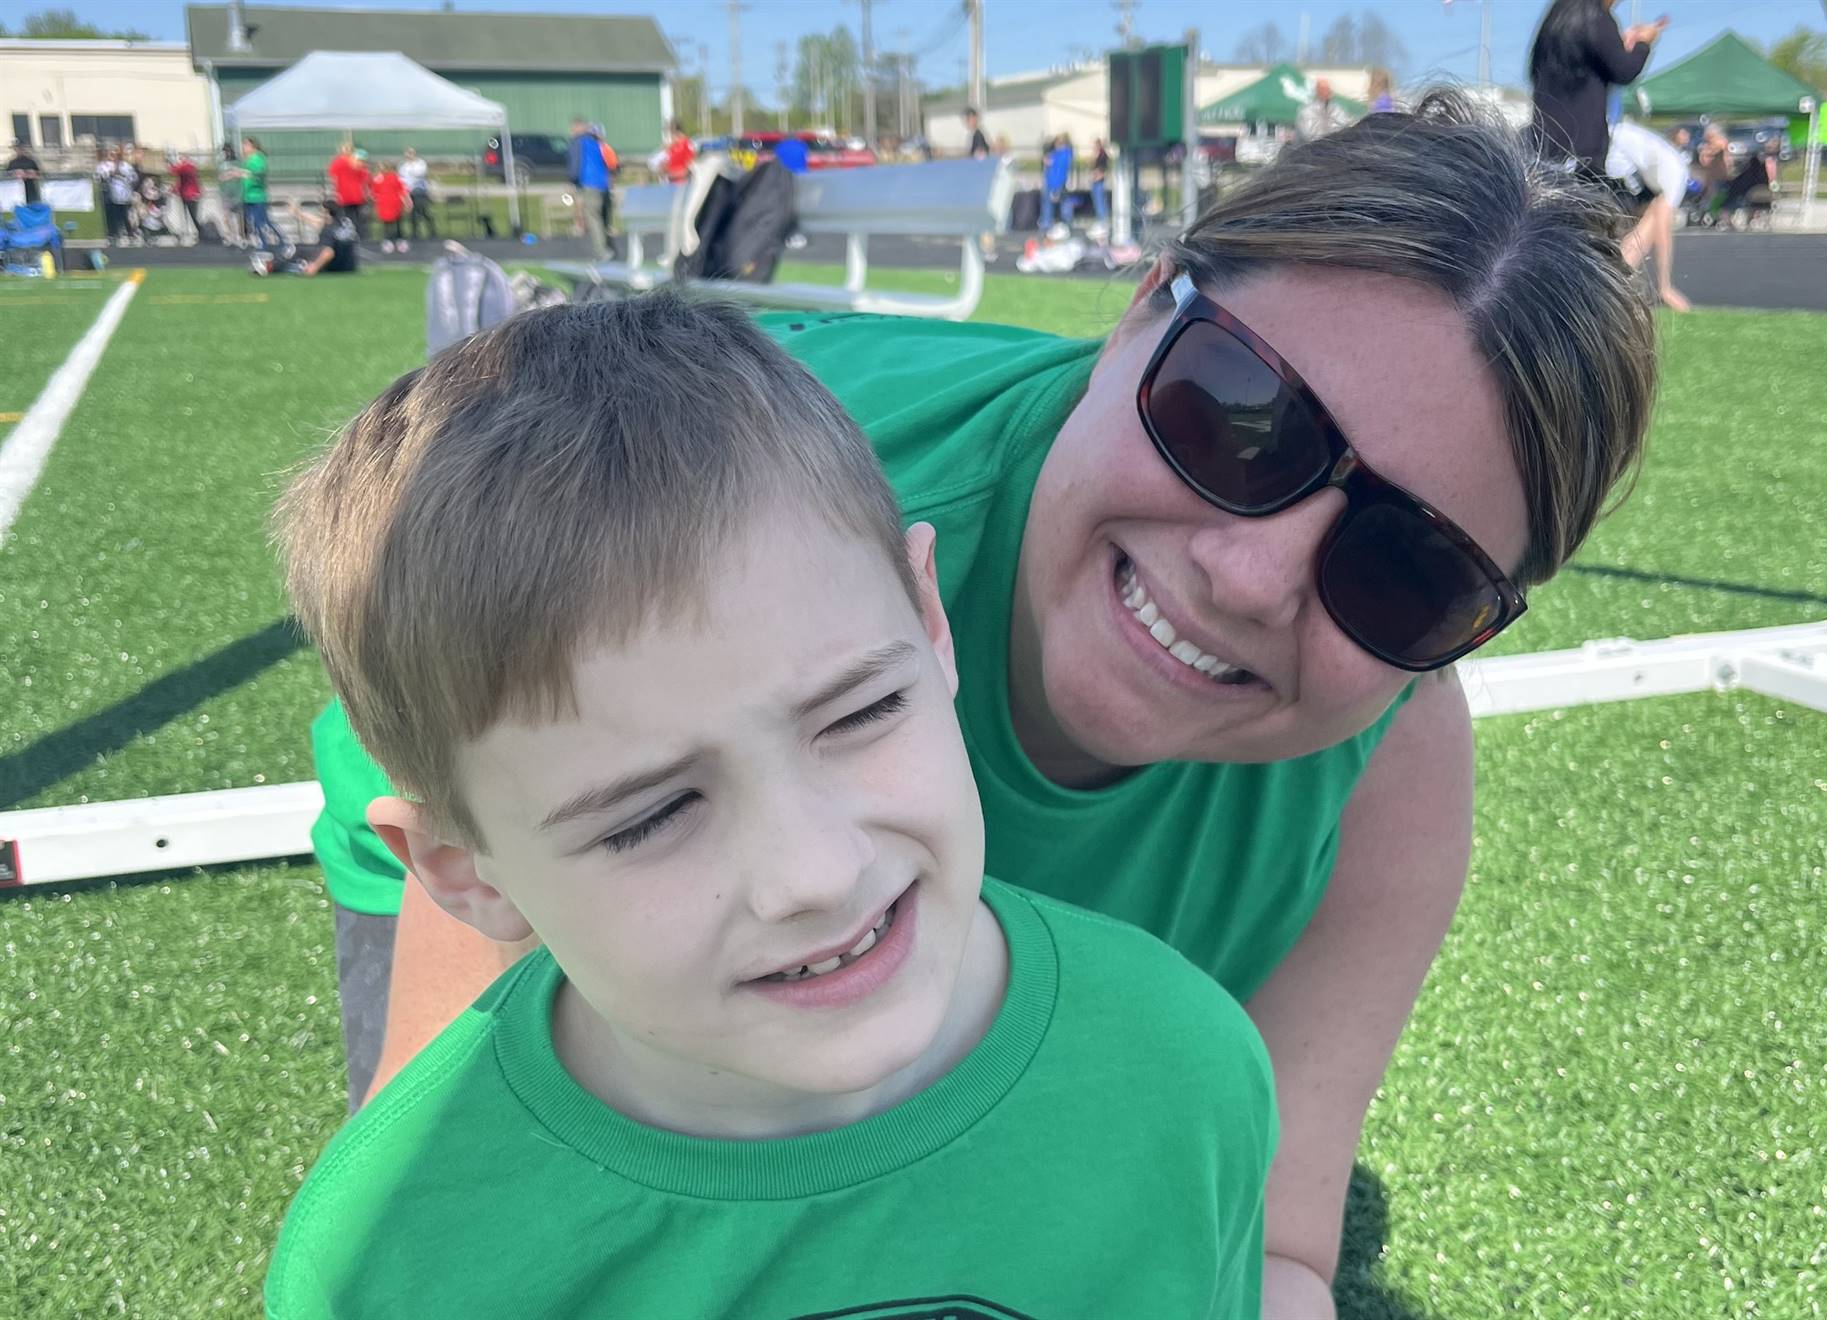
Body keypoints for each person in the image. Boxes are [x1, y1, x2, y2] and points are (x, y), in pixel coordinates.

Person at [309, 93, 1659, 1316]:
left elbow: (1279, 1245)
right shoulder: (791, 546)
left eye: (1407, 572)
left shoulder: (1386, 759)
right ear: (1142, 308)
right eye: (1239, 415)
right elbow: (454, 1218)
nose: (1252, 578)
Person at [268, 291, 1276, 1317]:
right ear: (460, 871)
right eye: (650, 816)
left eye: (864, 711)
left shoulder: (1184, 1069)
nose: (816, 873)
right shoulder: (394, 1262)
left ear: (931, 621)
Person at [1529, 0, 1667, 174]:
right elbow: (1624, 71)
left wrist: (1618, 46)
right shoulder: (1597, 18)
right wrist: (1643, 43)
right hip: (1583, 150)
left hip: (1544, 143)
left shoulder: (1557, 18)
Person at [1606, 119, 1691, 311]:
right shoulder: (1675, 177)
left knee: (1643, 223)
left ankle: (1615, 280)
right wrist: (1665, 286)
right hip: (1606, 147)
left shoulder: (1664, 161)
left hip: (1603, 140)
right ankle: (1615, 283)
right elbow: (1662, 233)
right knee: (1650, 225)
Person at [250, 200, 358, 276]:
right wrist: (298, 214)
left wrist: (315, 266)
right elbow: (317, 222)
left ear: (327, 213)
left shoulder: (328, 230)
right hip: (348, 267)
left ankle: (270, 267)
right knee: (306, 250)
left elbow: (328, 252)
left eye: (321, 212)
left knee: (296, 249)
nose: (319, 214)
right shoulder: (344, 223)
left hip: (332, 266)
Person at [567, 116, 613, 261]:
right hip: (603, 183)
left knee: (593, 217)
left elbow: (575, 163)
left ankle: (602, 252)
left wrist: (572, 180)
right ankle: (607, 247)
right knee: (602, 218)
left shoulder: (578, 142)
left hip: (589, 182)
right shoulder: (595, 142)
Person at [239, 136, 293, 257]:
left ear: (253, 146)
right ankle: (263, 244)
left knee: (264, 222)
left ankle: (283, 241)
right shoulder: (246, 160)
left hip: (258, 196)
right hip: (248, 196)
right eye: (243, 145)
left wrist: (242, 173)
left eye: (246, 145)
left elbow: (257, 173)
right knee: (254, 222)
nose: (244, 148)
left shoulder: (258, 158)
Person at [326, 142, 371, 232]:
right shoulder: (359, 162)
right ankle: (358, 237)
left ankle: (350, 237)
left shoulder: (338, 161)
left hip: (345, 195)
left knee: (347, 218)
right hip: (356, 195)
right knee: (358, 219)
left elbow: (332, 176)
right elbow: (365, 178)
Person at [397, 146, 435, 241]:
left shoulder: (421, 163)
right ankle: (415, 233)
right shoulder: (402, 166)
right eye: (407, 153)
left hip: (420, 192)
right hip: (409, 193)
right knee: (412, 214)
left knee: (423, 211)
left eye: (411, 153)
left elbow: (419, 174)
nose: (409, 155)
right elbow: (401, 178)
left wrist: (411, 168)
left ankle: (432, 231)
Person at [370, 161, 409, 253]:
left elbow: (402, 190)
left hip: (395, 203)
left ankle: (400, 241)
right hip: (384, 204)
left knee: (398, 223)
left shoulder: (395, 177)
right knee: (387, 224)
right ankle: (388, 241)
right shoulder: (377, 179)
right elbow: (374, 193)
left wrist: (406, 202)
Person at [1040, 134, 1074, 236]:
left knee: (1059, 204)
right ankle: (1050, 223)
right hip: (1052, 182)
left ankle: (1056, 223)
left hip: (1056, 182)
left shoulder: (1062, 154)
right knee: (1053, 204)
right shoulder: (1060, 154)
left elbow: (1053, 165)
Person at [217, 142, 249, 247]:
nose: (226, 153)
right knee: (226, 217)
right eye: (225, 151)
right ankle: (231, 236)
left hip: (238, 194)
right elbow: (221, 177)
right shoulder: (221, 164)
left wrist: (234, 173)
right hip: (226, 194)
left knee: (240, 218)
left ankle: (242, 237)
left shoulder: (238, 162)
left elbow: (244, 174)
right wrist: (229, 174)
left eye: (227, 150)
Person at [167, 150, 203, 241]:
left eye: (181, 158)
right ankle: (186, 231)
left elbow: (174, 171)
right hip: (186, 194)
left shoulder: (188, 166)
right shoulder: (188, 167)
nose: (180, 160)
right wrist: (173, 190)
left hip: (190, 194)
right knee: (185, 214)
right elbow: (181, 181)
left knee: (193, 215)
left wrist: (170, 163)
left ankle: (201, 231)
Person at [5, 140, 41, 206]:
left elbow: (39, 174)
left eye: (20, 148)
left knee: (32, 205)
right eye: (16, 148)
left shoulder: (31, 162)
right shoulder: (12, 163)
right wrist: (15, 174)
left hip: (30, 188)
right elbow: (6, 176)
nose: (19, 150)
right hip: (16, 190)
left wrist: (30, 174)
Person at [661, 119, 695, 184]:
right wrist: (663, 169)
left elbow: (689, 170)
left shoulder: (687, 144)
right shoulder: (671, 147)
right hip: (670, 185)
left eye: (670, 132)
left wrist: (670, 175)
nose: (669, 136)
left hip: (683, 186)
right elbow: (665, 166)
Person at [1089, 136, 1111, 225]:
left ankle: (1103, 220)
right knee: (1097, 201)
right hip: (1095, 181)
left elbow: (1103, 168)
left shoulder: (1102, 155)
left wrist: (1098, 175)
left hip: (1099, 181)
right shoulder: (1097, 155)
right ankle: (1101, 219)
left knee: (1100, 201)